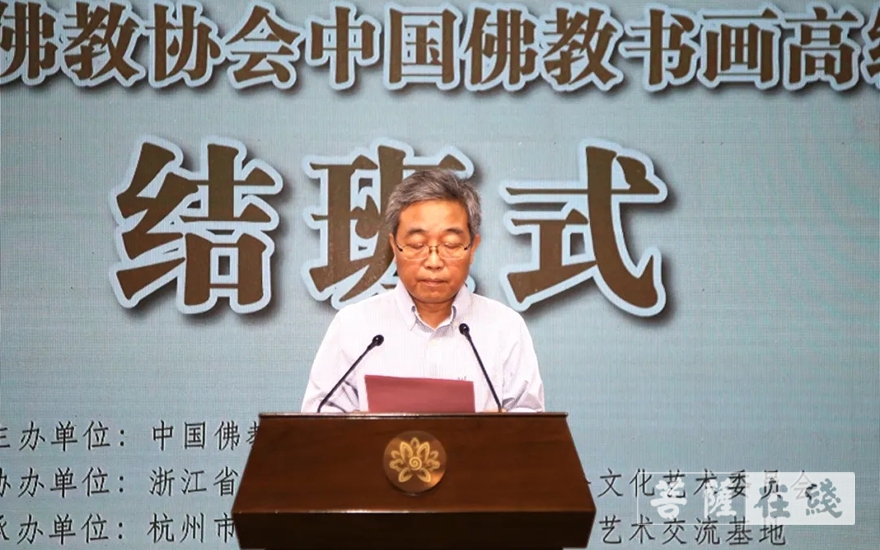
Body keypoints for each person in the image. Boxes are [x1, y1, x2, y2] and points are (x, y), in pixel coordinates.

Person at [301, 169, 544, 413]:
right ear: (394, 246)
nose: (434, 261)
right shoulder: (354, 326)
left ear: (472, 248)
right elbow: (317, 420)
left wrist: (503, 428)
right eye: (417, 244)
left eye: (450, 244)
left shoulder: (505, 328)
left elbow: (532, 422)